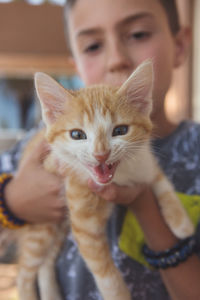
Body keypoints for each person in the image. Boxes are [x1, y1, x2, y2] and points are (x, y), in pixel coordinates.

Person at [0, 0, 200, 299]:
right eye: (93, 46)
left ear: (181, 45)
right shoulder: (43, 145)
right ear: (74, 65)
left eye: (138, 34)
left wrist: (145, 203)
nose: (116, 59)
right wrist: (12, 200)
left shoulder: (192, 152)